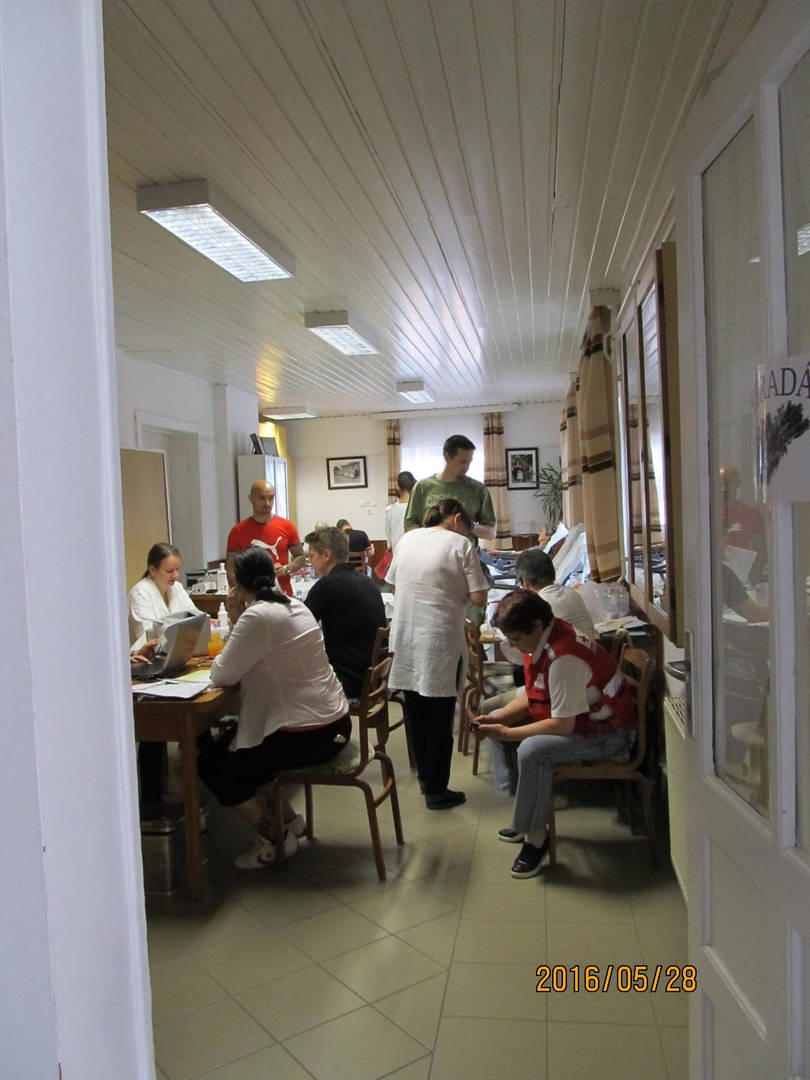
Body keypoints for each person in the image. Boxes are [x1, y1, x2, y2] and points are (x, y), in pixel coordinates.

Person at [199, 548, 349, 869]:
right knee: (242, 744)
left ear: (237, 584)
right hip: (334, 722)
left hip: (310, 735)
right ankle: (290, 820)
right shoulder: (294, 605)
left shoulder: (257, 616)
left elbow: (221, 674)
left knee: (213, 762)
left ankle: (274, 836)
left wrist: (235, 617)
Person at [473, 590, 634, 879]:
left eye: (516, 638)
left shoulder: (563, 657)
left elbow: (562, 725)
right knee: (500, 717)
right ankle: (525, 818)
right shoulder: (549, 636)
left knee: (533, 751)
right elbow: (535, 694)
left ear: (536, 626)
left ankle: (536, 837)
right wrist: (500, 719)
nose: (512, 645)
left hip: (611, 734)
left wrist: (507, 732)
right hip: (587, 719)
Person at [386, 498, 489, 809]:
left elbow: (394, 585)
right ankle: (437, 790)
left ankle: (425, 779)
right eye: (467, 527)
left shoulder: (408, 539)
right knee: (440, 717)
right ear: (457, 519)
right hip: (439, 639)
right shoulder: (460, 544)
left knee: (416, 712)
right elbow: (479, 597)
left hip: (405, 637)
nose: (467, 533)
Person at [481, 547, 597, 716]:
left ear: (524, 582)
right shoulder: (572, 595)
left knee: (491, 709)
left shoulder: (535, 606)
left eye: (516, 638)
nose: (514, 643)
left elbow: (517, 655)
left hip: (564, 687)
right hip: (583, 677)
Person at [304, 526, 386, 698]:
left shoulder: (326, 586)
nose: (310, 563)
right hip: (373, 677)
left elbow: (298, 626)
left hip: (348, 682)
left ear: (326, 555)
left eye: (312, 556)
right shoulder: (367, 581)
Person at [403, 434, 496, 542]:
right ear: (447, 457)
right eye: (462, 462)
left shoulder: (478, 489)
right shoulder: (422, 488)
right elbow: (409, 527)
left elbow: (491, 533)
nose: (466, 467)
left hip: (466, 552)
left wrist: (470, 525)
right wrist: (431, 536)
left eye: (469, 461)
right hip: (431, 551)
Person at [227, 480, 306, 596]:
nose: (267, 503)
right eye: (262, 498)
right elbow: (231, 569)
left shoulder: (287, 527)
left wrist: (286, 568)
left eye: (271, 498)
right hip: (252, 598)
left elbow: (301, 557)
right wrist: (241, 596)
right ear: (251, 499)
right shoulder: (237, 531)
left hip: (283, 596)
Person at [128, 542, 203, 641]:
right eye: (169, 571)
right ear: (152, 570)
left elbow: (196, 618)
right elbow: (148, 637)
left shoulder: (177, 587)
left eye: (177, 569)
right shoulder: (140, 594)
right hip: (152, 650)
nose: (175, 575)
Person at [385, 471, 416, 554]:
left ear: (398, 486)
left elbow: (389, 541)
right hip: (416, 553)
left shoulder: (390, 510)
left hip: (397, 554)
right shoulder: (418, 507)